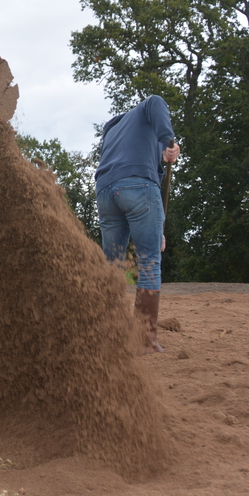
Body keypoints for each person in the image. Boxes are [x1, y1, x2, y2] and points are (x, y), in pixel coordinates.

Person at [95, 95, 182, 353]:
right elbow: (156, 101)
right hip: (136, 185)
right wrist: (169, 141)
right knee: (149, 262)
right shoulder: (146, 110)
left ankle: (106, 333)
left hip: (105, 191)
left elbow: (153, 175)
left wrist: (159, 228)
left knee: (112, 263)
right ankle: (144, 340)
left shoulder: (113, 132)